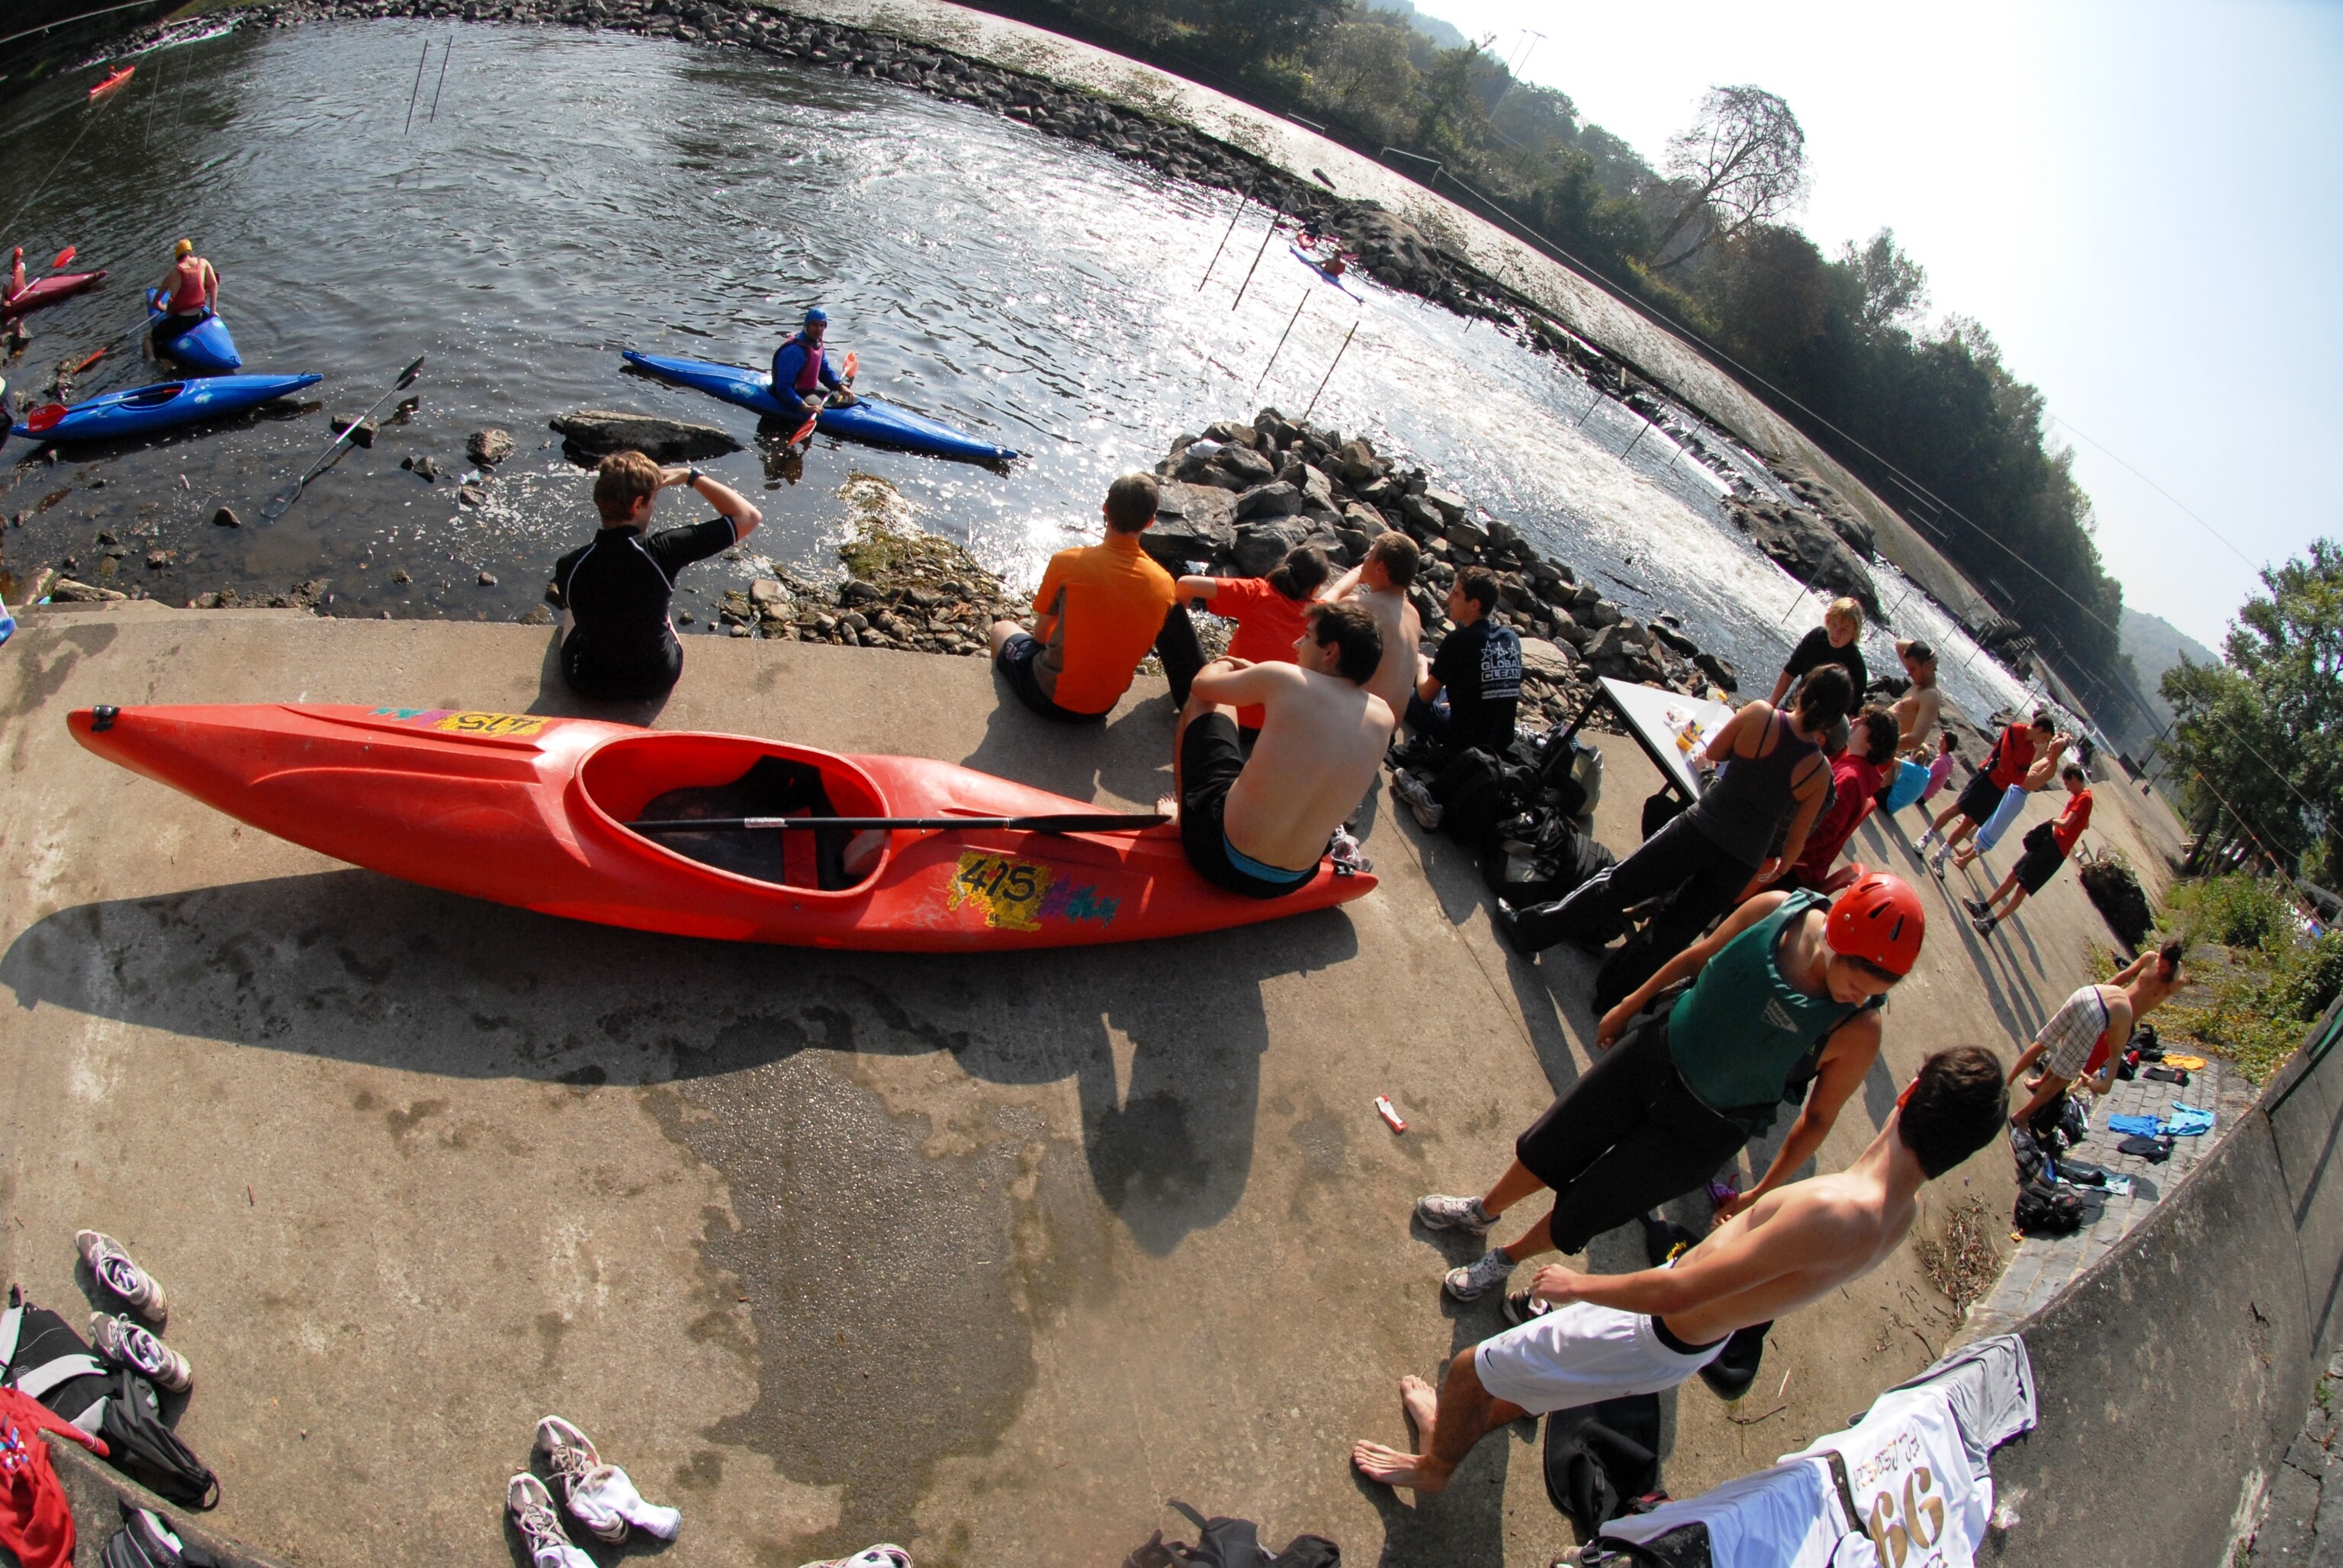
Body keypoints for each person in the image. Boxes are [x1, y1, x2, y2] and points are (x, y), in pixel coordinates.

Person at [1354, 1046, 2010, 1494]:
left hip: (1647, 1328)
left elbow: (1679, 1289)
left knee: (1470, 1370)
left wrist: (1575, 1284)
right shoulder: (1899, 1212)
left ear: (1909, 1092)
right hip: (1689, 1345)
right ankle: (1469, 1426)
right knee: (1532, 1387)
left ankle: (1436, 1465)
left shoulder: (1841, 1207)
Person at [1422, 873, 1924, 1302]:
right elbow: (1698, 958)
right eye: (1856, 981)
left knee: (1593, 1204)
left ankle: (1506, 1259)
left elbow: (1817, 1120)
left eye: (1874, 993)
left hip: (1701, 1132)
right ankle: (1483, 1210)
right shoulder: (1775, 911)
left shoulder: (1859, 1029)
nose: (1858, 998)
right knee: (1554, 1141)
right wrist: (1631, 1003)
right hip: (1654, 1054)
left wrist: (1760, 1193)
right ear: (1837, 935)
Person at [1495, 667, 1848, 1013]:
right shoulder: (1819, 774)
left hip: (1702, 827)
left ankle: (1531, 931)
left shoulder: (1761, 715)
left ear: (1802, 689)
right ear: (1833, 721)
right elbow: (1795, 843)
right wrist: (1776, 869)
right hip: (1742, 861)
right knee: (1671, 932)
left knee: (1618, 885)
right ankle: (1611, 996)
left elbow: (1716, 752)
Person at [1172, 602, 1392, 898]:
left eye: (1308, 636)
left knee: (1204, 701)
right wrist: (1263, 679)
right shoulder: (1384, 717)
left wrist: (1226, 664)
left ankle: (1181, 817)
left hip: (1215, 855)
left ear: (1330, 651)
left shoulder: (1284, 678)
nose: (1296, 643)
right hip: (1292, 880)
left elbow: (1201, 686)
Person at [553, 451, 761, 701]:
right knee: (656, 604)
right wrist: (691, 476)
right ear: (637, 504)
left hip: (590, 684)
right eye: (653, 500)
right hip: (656, 678)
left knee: (573, 611)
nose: (654, 507)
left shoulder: (570, 564)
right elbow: (749, 517)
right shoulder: (663, 551)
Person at [988, 474, 1177, 724]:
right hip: (1102, 707)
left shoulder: (1068, 561)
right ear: (1151, 522)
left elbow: (1041, 636)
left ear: (1105, 509)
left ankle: (1007, 719)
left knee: (1001, 629)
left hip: (1047, 696)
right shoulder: (1165, 584)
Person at [2006, 941, 2187, 1130]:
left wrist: (2178, 968)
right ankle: (2042, 1083)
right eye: (2160, 960)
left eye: (2165, 965)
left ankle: (2045, 1107)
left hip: (2121, 1024)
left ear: (2172, 966)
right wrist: (2103, 989)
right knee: (2067, 1054)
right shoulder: (2150, 958)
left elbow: (2182, 978)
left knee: (2080, 1067)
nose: (2160, 966)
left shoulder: (2173, 983)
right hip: (2104, 1008)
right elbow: (2124, 975)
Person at [1152, 543, 1331, 727]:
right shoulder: (1320, 617)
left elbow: (1185, 584)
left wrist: (1181, 618)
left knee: (1168, 606)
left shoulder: (1258, 593)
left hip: (1216, 714)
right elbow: (1338, 593)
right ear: (1315, 588)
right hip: (1269, 728)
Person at [1768, 706, 1901, 896]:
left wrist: (1782, 848)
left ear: (1872, 743)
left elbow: (1822, 833)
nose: (1855, 721)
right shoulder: (1858, 771)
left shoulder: (1850, 779)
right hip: (1803, 864)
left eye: (1864, 723)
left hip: (1792, 869)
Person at [1407, 566, 1522, 758]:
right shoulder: (1511, 639)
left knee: (1406, 692)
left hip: (1463, 742)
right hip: (1500, 740)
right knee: (1443, 687)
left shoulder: (1459, 640)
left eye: (1456, 594)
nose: (1448, 599)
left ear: (1474, 604)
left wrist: (1421, 664)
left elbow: (1425, 696)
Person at [1916, 712, 2051, 873]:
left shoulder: (2030, 751)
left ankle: (1941, 855)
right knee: (1957, 809)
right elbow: (2005, 759)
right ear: (2040, 729)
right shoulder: (2015, 730)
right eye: (2046, 738)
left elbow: (2020, 778)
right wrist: (2010, 770)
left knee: (1969, 823)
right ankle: (1925, 839)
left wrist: (2008, 770)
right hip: (1986, 778)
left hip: (1999, 790)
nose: (2044, 742)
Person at [1965, 764, 2093, 933]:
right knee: (2014, 875)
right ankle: (1984, 906)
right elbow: (2085, 824)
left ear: (2074, 778)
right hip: (2050, 845)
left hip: (2054, 851)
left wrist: (2051, 821)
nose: (2067, 789)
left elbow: (2066, 823)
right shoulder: (2083, 797)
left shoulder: (2084, 798)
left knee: (2022, 889)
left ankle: (1991, 923)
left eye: (2067, 784)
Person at [1320, 532, 1423, 737]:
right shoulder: (1414, 616)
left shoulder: (1359, 607)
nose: (1364, 558)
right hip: (1384, 736)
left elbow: (1318, 609)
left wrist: (1351, 578)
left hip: (1350, 729)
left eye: (1370, 554)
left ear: (1380, 568)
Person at [1952, 721, 2073, 872]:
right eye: (2051, 743)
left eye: (2054, 745)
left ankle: (1966, 860)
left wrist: (2012, 773)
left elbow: (2027, 779)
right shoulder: (2046, 759)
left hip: (2017, 796)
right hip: (2013, 789)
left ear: (2059, 751)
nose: (2050, 745)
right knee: (1988, 823)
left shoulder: (2051, 766)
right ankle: (1967, 851)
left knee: (1993, 831)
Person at [1769, 597, 1868, 712]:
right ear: (1828, 620)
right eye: (1834, 624)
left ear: (1854, 633)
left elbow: (1850, 711)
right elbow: (1789, 673)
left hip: (1822, 720)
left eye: (1844, 630)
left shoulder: (1857, 668)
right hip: (1793, 706)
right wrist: (1771, 707)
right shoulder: (1816, 637)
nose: (1836, 633)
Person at [770, 307, 857, 420]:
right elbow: (783, 388)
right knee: (837, 405)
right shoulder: (794, 352)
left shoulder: (816, 344)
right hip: (792, 395)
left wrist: (840, 386)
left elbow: (824, 371)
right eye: (815, 325)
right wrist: (804, 407)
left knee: (850, 400)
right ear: (807, 326)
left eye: (822, 325)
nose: (819, 329)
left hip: (807, 392)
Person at [149, 239, 217, 352]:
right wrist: (212, 311)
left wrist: (164, 308)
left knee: (148, 338)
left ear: (177, 257)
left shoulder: (173, 274)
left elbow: (156, 303)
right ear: (190, 252)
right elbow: (214, 284)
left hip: (180, 323)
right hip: (199, 317)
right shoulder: (203, 263)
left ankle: (151, 359)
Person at [1890, 640, 1942, 753]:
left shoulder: (1930, 695)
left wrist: (1881, 746)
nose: (1909, 674)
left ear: (1926, 666)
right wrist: (1930, 651)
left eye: (1912, 669)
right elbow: (1899, 645)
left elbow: (1915, 740)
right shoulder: (1918, 683)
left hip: (1881, 748)